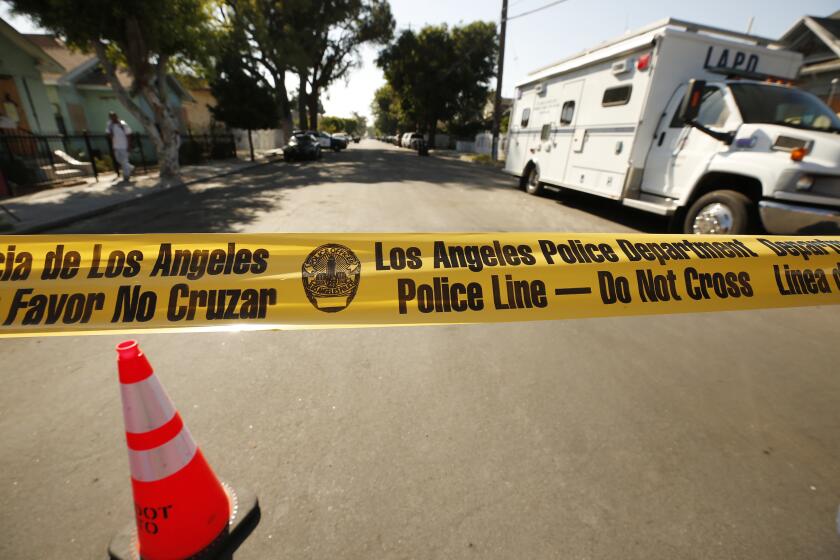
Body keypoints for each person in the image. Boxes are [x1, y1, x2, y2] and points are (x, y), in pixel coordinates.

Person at [106, 111, 135, 182]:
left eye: (113, 116)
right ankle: (131, 167)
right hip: (116, 146)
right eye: (111, 117)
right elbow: (108, 134)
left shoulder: (122, 124)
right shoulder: (110, 125)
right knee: (118, 160)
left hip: (124, 145)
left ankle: (126, 176)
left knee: (124, 161)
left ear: (116, 116)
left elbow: (128, 135)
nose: (112, 118)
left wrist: (129, 145)